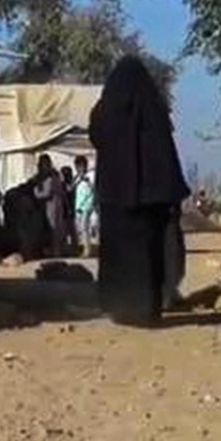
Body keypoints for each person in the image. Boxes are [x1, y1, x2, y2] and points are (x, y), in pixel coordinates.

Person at [89, 56, 190, 326]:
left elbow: (96, 136)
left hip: (114, 194)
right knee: (148, 254)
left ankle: (118, 307)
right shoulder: (153, 109)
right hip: (150, 199)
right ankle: (147, 308)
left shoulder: (104, 110)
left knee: (118, 254)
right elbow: (165, 154)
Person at [33, 155, 70, 258]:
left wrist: (35, 191)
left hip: (51, 205)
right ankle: (57, 250)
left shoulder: (50, 177)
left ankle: (56, 251)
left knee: (53, 228)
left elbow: (46, 193)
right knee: (56, 228)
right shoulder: (54, 176)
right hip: (56, 204)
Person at [71, 155, 98, 258]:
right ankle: (84, 247)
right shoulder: (77, 177)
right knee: (80, 228)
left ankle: (87, 250)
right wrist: (78, 179)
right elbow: (70, 188)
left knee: (84, 227)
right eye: (77, 166)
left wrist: (87, 180)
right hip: (78, 204)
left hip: (87, 204)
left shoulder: (90, 175)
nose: (79, 168)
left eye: (81, 166)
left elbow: (94, 189)